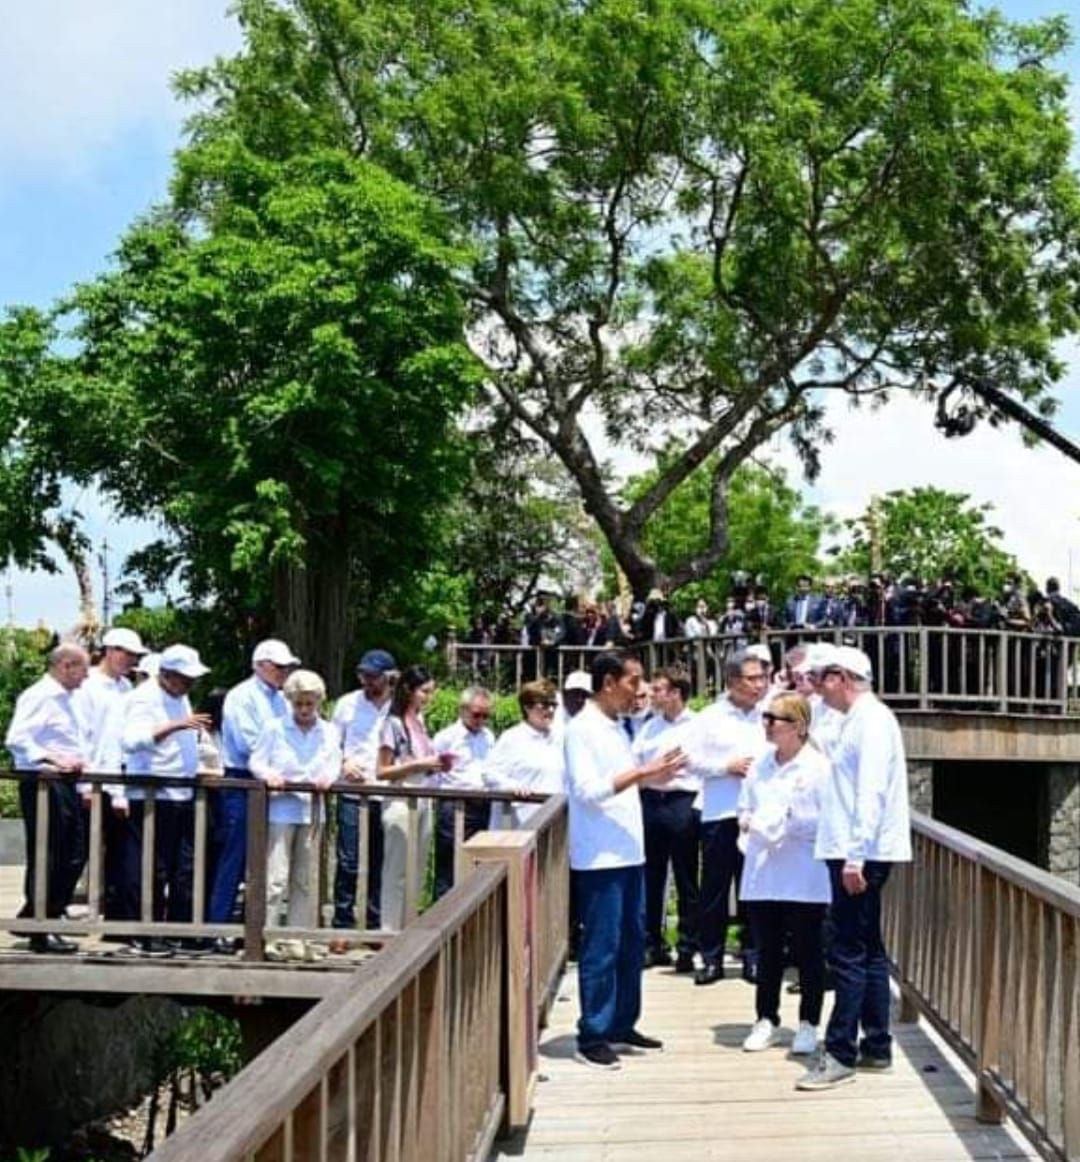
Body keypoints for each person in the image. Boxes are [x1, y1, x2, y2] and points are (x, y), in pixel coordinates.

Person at [796, 646, 912, 1090]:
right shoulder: (857, 720)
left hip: (859, 852)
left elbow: (871, 793)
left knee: (846, 950)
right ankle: (877, 1044)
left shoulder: (872, 721)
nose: (816, 685)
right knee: (868, 948)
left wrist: (856, 855)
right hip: (853, 848)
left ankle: (840, 1052)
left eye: (822, 677)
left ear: (842, 677)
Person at [564, 652, 687, 1070]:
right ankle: (592, 1033)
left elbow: (620, 781)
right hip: (600, 855)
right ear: (609, 682)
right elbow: (587, 791)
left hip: (629, 851)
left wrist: (653, 775)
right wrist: (642, 773)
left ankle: (620, 1022)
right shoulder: (581, 729)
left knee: (631, 942)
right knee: (601, 946)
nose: (641, 691)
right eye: (634, 681)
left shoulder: (616, 727)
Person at [737, 693, 831, 1056]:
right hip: (763, 867)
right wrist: (752, 823)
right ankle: (766, 1018)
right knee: (768, 948)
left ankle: (809, 1022)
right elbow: (744, 806)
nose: (768, 724)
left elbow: (820, 818)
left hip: (803, 867)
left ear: (799, 726)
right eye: (766, 717)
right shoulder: (761, 765)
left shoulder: (818, 768)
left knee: (808, 950)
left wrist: (778, 824)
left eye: (775, 718)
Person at [116, 644, 213, 957]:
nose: (190, 685)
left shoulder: (180, 697)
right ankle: (145, 932)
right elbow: (130, 741)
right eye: (185, 679)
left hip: (180, 792)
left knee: (180, 867)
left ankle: (174, 930)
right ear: (167, 675)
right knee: (150, 867)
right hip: (152, 794)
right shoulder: (143, 699)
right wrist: (172, 726)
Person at [682, 649, 769, 985]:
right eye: (752, 678)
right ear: (732, 681)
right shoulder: (710, 717)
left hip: (758, 814)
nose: (758, 685)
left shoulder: (769, 714)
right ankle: (712, 958)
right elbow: (689, 760)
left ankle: (753, 957)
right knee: (715, 888)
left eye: (762, 678)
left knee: (754, 888)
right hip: (720, 810)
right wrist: (724, 767)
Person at [4, 642, 91, 953]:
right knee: (49, 854)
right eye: (83, 668)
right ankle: (41, 926)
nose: (86, 676)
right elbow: (17, 739)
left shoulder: (69, 699)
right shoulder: (40, 696)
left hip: (64, 783)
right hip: (44, 783)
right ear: (66, 666)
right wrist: (53, 759)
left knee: (74, 853)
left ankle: (41, 914)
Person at [211, 639, 299, 936]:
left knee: (262, 861)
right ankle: (218, 927)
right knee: (233, 857)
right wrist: (276, 764)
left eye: (287, 666)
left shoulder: (281, 699)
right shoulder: (241, 696)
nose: (283, 671)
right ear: (259, 665)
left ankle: (251, 928)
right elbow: (247, 743)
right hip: (242, 780)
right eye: (278, 666)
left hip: (273, 782)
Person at [250, 670, 339, 951]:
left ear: (319, 702)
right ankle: (270, 936)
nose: (303, 710)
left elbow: (334, 763)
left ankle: (298, 937)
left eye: (309, 704)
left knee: (305, 880)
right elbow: (257, 761)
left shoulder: (329, 731)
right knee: (276, 878)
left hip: (312, 810)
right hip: (281, 809)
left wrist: (328, 777)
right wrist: (270, 776)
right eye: (298, 704)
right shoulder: (275, 728)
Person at [632, 668, 700, 971]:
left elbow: (695, 764)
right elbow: (636, 763)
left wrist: (662, 771)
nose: (652, 694)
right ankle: (652, 942)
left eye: (658, 689)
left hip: (682, 800)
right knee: (651, 876)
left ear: (675, 693)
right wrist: (653, 773)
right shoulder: (649, 727)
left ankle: (688, 944)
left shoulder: (698, 725)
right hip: (651, 801)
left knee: (686, 877)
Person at [331, 648, 397, 942]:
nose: (366, 681)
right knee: (347, 860)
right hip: (351, 790)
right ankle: (342, 924)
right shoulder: (347, 704)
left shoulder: (399, 707)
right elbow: (331, 744)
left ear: (388, 677)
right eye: (363, 675)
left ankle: (375, 923)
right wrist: (344, 763)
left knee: (380, 860)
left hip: (384, 793)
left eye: (372, 676)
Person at [376, 665, 443, 931]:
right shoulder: (392, 724)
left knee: (417, 868)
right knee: (397, 870)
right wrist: (418, 764)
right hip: (400, 799)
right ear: (409, 690)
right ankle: (390, 930)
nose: (429, 697)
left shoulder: (420, 722)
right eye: (424, 692)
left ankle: (409, 928)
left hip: (423, 797)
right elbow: (382, 771)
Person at [430, 686, 495, 898]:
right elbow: (432, 773)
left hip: (483, 805)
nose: (481, 720)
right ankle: (440, 919)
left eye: (486, 715)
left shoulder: (489, 737)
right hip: (454, 806)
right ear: (463, 710)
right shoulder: (446, 737)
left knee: (478, 863)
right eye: (477, 714)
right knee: (449, 865)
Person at [484, 679, 564, 827]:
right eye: (545, 705)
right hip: (518, 823)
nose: (551, 710)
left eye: (554, 705)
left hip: (552, 824)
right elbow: (489, 773)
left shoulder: (559, 738)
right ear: (527, 707)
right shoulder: (512, 738)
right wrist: (512, 786)